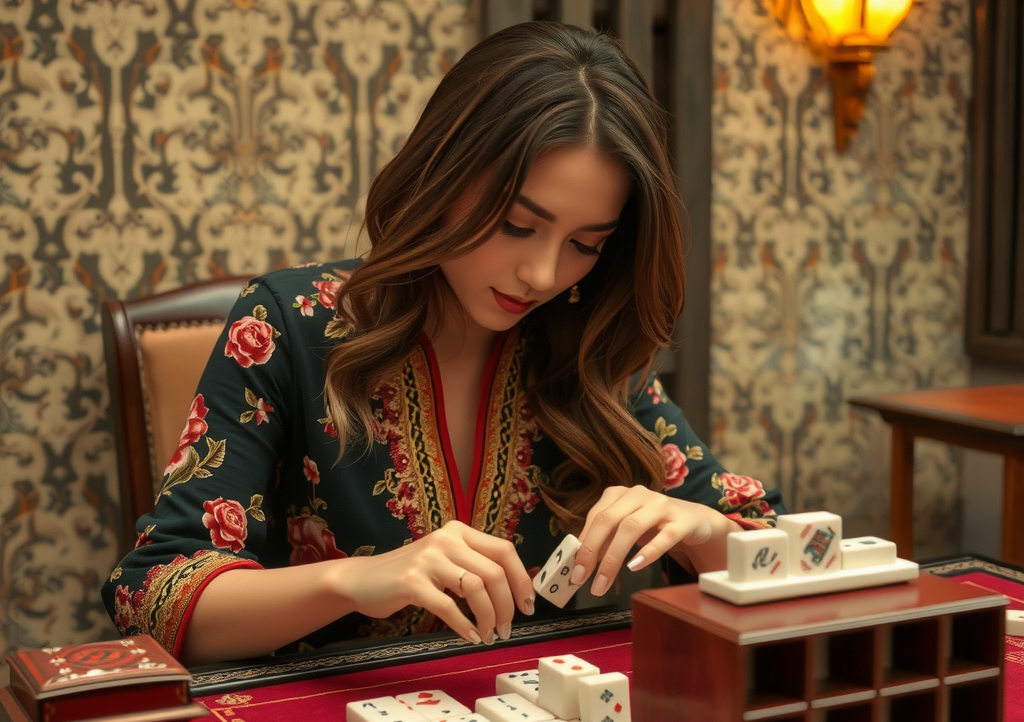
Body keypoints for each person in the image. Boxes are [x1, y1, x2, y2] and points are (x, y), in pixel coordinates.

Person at [102, 21, 785, 666]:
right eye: (519, 225)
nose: (543, 275)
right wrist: (357, 580)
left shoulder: (588, 350)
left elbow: (780, 555)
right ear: (444, 174)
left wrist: (705, 532)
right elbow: (154, 596)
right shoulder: (286, 324)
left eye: (585, 245)